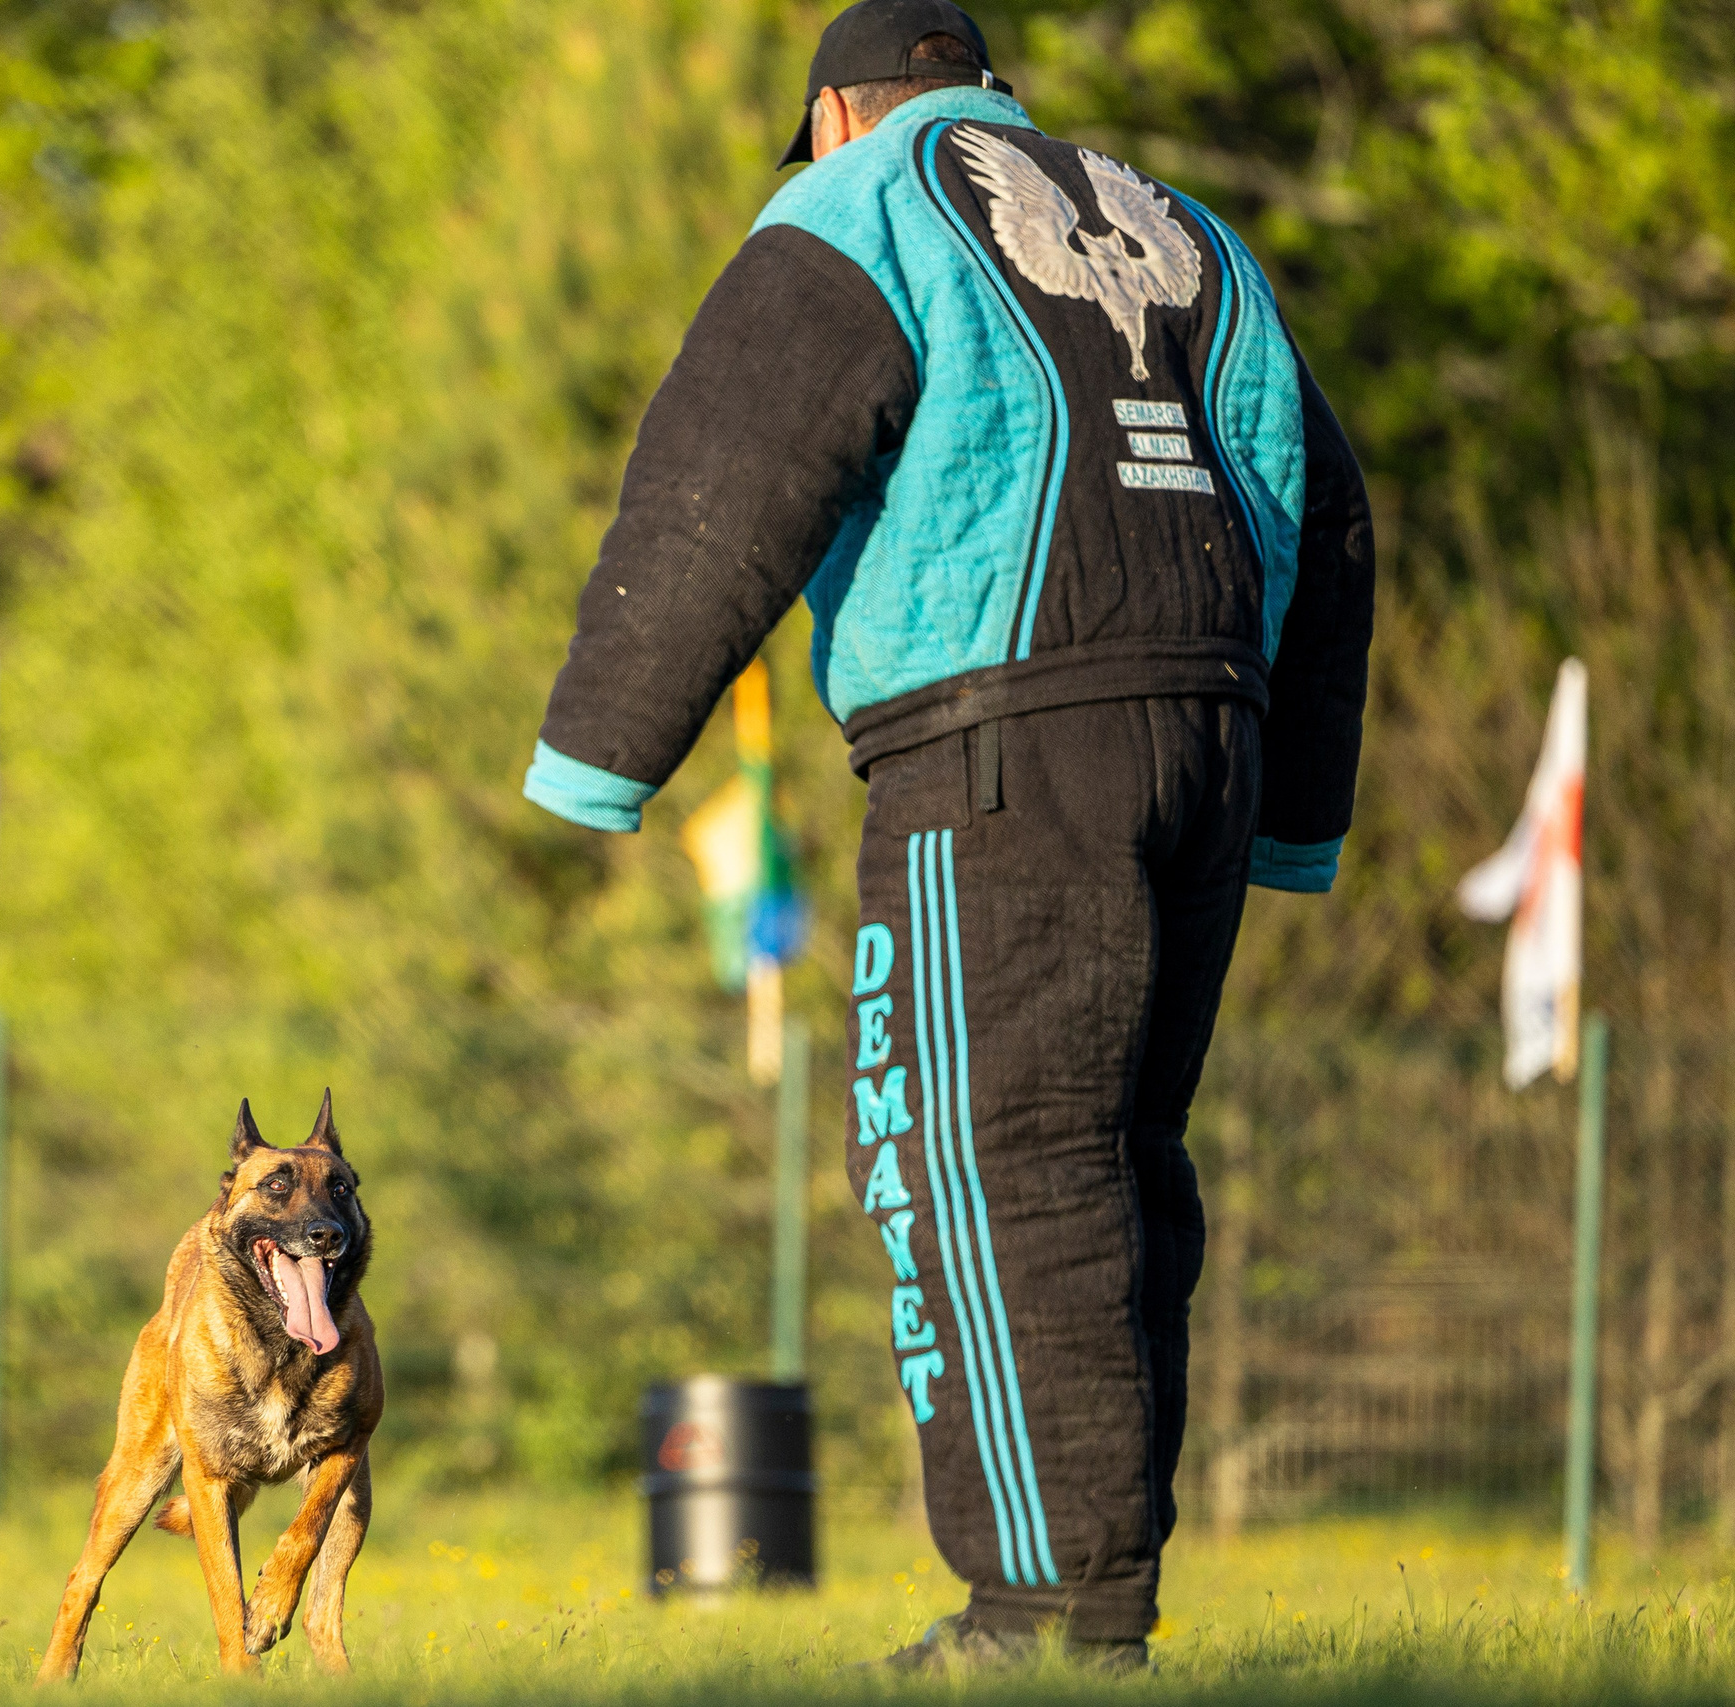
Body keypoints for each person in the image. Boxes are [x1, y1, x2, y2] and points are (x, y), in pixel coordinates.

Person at [519, 0, 1373, 1671]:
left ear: (839, 112)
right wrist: (1295, 817)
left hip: (995, 743)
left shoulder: (863, 203)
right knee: (1121, 1173)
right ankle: (1099, 1600)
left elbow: (726, 469)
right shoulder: (1184, 229)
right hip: (1205, 728)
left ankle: (1044, 1618)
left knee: (980, 1168)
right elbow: (1320, 510)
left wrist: (597, 758)